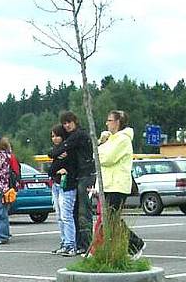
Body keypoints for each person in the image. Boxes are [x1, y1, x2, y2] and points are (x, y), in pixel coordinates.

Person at [97, 109, 145, 259]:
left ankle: (135, 244)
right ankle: (121, 248)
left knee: (112, 218)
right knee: (110, 219)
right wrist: (100, 143)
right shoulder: (110, 139)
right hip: (108, 184)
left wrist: (99, 151)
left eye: (109, 120)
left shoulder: (123, 140)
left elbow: (107, 158)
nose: (107, 123)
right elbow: (98, 155)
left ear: (117, 122)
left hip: (117, 184)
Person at [58, 111, 95, 254]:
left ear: (75, 121)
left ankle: (87, 245)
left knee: (84, 211)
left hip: (86, 175)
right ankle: (79, 244)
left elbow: (63, 147)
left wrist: (56, 152)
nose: (67, 125)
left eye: (69, 122)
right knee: (75, 211)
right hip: (78, 176)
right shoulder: (73, 137)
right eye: (64, 123)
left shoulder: (80, 135)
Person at [48, 124, 77, 256]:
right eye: (52, 136)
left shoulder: (70, 150)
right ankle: (64, 242)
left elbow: (73, 166)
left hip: (67, 185)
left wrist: (65, 169)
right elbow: (51, 169)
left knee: (66, 216)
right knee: (59, 216)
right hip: (56, 184)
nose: (54, 139)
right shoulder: (56, 151)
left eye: (57, 136)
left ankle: (71, 244)